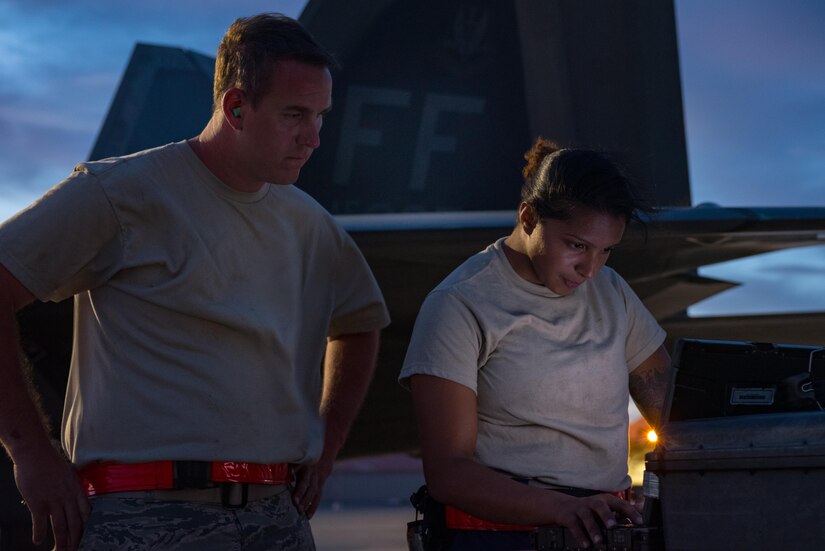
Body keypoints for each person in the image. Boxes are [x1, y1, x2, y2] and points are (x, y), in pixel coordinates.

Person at [0, 13, 390, 551]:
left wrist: (328, 443)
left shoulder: (311, 225)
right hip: (144, 519)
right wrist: (30, 452)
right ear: (235, 108)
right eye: (295, 115)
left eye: (321, 116)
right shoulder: (119, 194)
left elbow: (360, 322)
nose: (314, 138)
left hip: (276, 518)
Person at [399, 138, 672, 550]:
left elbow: (676, 416)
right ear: (528, 217)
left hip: (603, 531)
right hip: (499, 539)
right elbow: (448, 472)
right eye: (577, 245)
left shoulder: (612, 292)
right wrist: (561, 509)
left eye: (606, 251)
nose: (590, 268)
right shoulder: (460, 304)